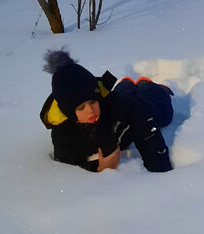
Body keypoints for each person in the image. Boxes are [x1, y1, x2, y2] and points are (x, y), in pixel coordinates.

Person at [41, 49, 173, 173]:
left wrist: (161, 172)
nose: (90, 111)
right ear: (68, 111)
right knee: (124, 95)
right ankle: (126, 84)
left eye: (93, 102)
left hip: (137, 104)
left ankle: (147, 85)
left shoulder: (116, 105)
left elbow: (149, 137)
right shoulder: (63, 132)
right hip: (120, 105)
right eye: (81, 108)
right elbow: (69, 167)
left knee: (162, 113)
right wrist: (100, 168)